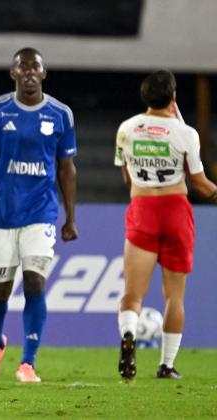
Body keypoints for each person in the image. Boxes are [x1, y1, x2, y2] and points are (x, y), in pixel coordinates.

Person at [0, 47, 78, 383]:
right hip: (1, 214)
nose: (29, 72)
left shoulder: (60, 114)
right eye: (22, 67)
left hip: (41, 212)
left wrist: (70, 217)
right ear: (13, 73)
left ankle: (28, 363)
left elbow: (66, 167)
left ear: (44, 73)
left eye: (35, 67)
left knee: (35, 283)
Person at [115, 70, 217, 380]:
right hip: (175, 211)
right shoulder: (186, 133)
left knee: (133, 294)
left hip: (143, 208)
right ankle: (166, 365)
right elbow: (199, 183)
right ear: (173, 97)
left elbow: (126, 175)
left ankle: (129, 335)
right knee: (175, 295)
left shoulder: (127, 129)